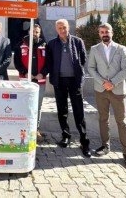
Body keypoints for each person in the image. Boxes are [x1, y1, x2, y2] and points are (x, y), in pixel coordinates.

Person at [88, 23, 126, 168]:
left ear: (112, 33)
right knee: (103, 119)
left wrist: (112, 82)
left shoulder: (121, 49)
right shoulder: (95, 49)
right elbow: (91, 68)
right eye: (102, 32)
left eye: (107, 31)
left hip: (118, 91)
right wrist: (103, 82)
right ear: (99, 34)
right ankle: (105, 146)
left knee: (122, 121)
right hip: (101, 90)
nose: (104, 34)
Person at [46, 19, 91, 157]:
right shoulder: (52, 44)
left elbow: (83, 59)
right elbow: (49, 61)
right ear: (56, 29)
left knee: (79, 111)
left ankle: (84, 140)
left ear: (68, 27)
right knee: (62, 110)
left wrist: (77, 73)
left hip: (74, 81)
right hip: (59, 82)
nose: (62, 30)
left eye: (64, 27)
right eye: (59, 28)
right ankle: (66, 136)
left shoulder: (78, 41)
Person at [14, 24, 48, 142]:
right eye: (33, 31)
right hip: (25, 80)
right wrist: (25, 72)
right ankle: (23, 129)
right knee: (23, 105)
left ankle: (35, 129)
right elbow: (17, 61)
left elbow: (49, 62)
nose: (35, 33)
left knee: (37, 106)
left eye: (37, 32)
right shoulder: (21, 44)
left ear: (39, 33)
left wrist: (42, 74)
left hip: (40, 80)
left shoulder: (45, 46)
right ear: (28, 31)